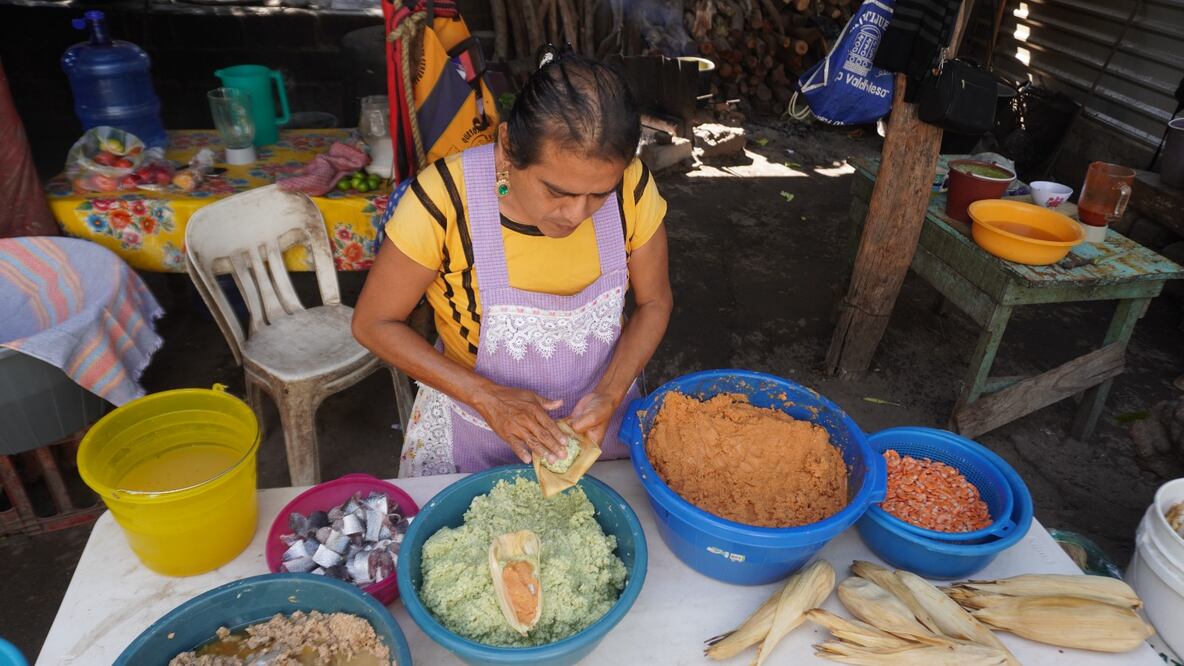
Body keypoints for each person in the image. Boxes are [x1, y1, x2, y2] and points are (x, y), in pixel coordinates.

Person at [352, 47, 672, 477]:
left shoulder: (632, 190)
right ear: (507, 148)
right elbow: (373, 323)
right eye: (557, 192)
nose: (577, 215)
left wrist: (610, 395)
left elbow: (654, 303)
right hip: (473, 436)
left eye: (598, 194)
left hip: (600, 429)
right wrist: (487, 397)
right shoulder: (445, 199)